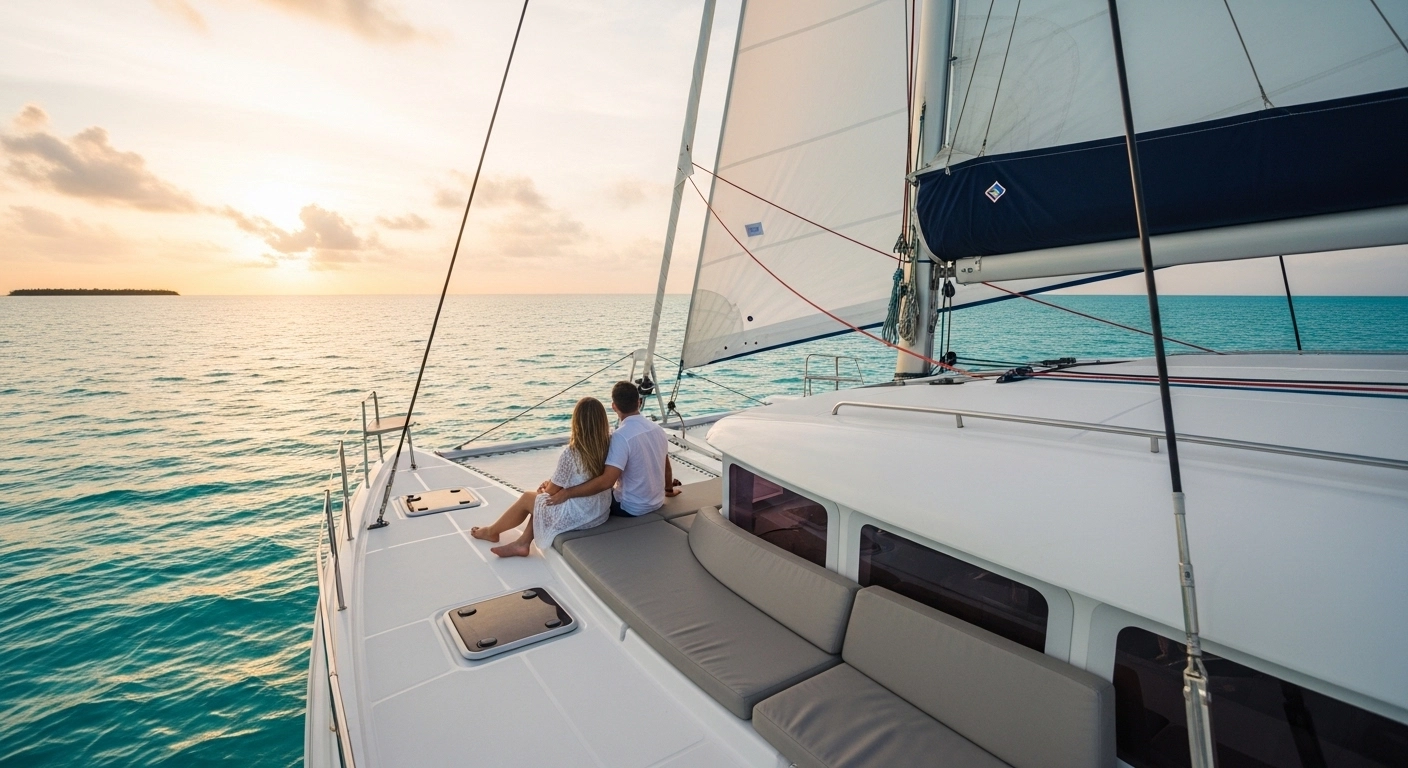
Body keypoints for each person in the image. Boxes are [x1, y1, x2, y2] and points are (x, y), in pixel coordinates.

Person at [469, 397, 613, 557]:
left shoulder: (571, 453)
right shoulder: (610, 444)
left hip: (581, 515)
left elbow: (552, 491)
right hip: (600, 512)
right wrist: (550, 486)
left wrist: (546, 487)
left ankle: (491, 532)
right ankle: (522, 543)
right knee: (539, 501)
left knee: (528, 498)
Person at [548, 380, 679, 516]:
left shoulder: (620, 437)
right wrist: (669, 490)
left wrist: (567, 493)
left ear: (614, 406)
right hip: (656, 502)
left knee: (580, 497)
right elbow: (666, 465)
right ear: (639, 402)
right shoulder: (657, 429)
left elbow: (606, 482)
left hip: (630, 508)